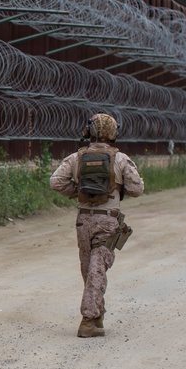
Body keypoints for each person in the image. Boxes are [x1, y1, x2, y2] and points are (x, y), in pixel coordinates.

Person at [49, 113, 143, 338]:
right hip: (107, 219)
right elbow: (137, 188)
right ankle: (89, 319)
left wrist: (77, 193)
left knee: (88, 268)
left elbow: (55, 182)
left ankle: (96, 313)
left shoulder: (76, 158)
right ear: (113, 133)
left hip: (83, 220)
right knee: (97, 268)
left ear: (88, 132)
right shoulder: (120, 159)